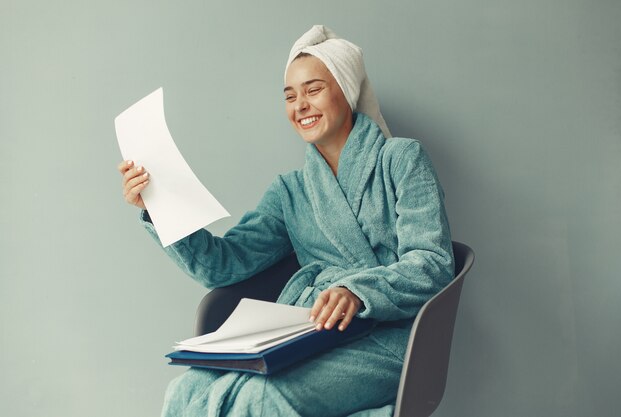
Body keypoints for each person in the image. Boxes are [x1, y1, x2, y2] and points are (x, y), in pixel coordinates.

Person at [118, 25, 454, 417]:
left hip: (389, 337)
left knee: (258, 400)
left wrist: (357, 292)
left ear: (345, 91)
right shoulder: (290, 191)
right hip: (307, 332)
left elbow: (432, 262)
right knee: (185, 391)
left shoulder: (402, 160)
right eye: (290, 96)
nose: (300, 106)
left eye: (313, 90)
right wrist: (159, 205)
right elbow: (223, 264)